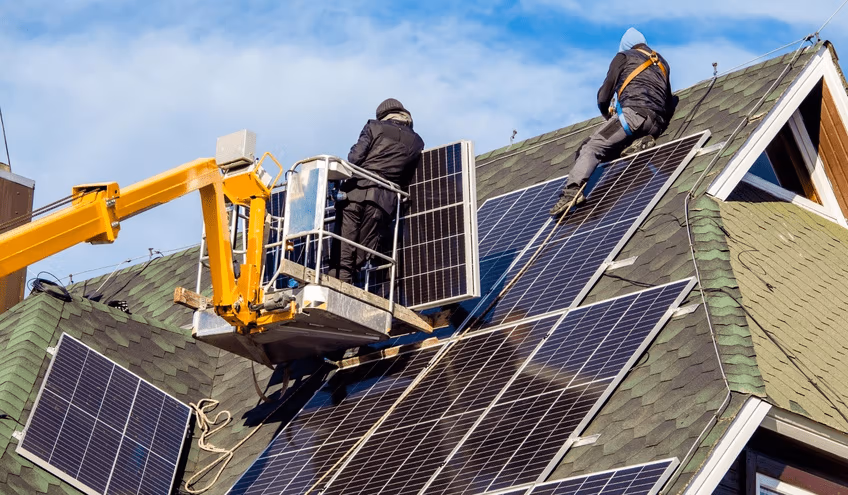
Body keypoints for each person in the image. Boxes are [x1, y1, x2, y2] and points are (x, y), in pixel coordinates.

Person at [550, 28, 675, 217]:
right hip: (656, 123)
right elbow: (667, 99)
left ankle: (571, 192)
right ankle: (640, 141)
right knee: (613, 149)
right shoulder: (662, 63)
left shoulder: (624, 56)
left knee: (592, 147)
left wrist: (607, 115)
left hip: (631, 117)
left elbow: (604, 95)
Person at [330, 98, 425, 285]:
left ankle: (338, 283)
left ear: (382, 115)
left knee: (344, 241)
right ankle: (347, 283)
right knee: (363, 246)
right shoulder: (417, 141)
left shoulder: (374, 126)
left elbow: (354, 158)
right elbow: (407, 177)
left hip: (355, 192)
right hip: (383, 200)